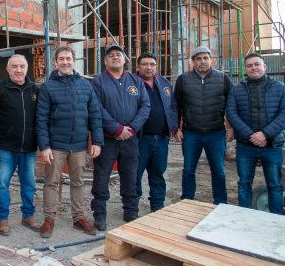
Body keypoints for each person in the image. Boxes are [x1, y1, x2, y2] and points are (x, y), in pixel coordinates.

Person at [36, 46, 103, 238]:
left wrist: (96, 142)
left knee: (78, 182)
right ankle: (49, 219)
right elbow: (41, 119)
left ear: (74, 61)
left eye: (68, 58)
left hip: (79, 145)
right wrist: (44, 146)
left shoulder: (86, 86)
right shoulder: (48, 87)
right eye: (61, 59)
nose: (65, 62)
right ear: (55, 62)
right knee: (51, 182)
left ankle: (78, 217)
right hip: (56, 146)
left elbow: (95, 116)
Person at [91, 45, 150, 230]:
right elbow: (97, 108)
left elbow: (145, 106)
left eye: (118, 55)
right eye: (111, 55)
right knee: (101, 177)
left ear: (125, 59)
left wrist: (131, 129)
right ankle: (100, 214)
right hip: (107, 139)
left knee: (130, 175)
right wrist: (117, 129)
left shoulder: (136, 81)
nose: (115, 57)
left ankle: (130, 211)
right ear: (105, 61)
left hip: (130, 139)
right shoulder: (98, 82)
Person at [226, 53, 285, 214]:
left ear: (264, 67)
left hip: (272, 146)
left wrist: (264, 134)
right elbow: (232, 114)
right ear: (245, 69)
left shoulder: (280, 88)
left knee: (274, 185)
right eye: (249, 66)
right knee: (244, 184)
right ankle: (245, 217)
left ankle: (276, 219)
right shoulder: (237, 90)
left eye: (257, 64)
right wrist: (251, 135)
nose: (253, 68)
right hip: (246, 146)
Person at [0, 54, 41, 236]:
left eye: (22, 66)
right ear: (8, 69)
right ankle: (3, 219)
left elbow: (39, 115)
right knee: (2, 184)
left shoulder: (34, 89)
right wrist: (7, 131)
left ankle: (28, 216)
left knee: (29, 183)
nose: (18, 70)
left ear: (27, 68)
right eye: (14, 66)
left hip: (29, 147)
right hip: (6, 147)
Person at [174, 45, 233, 205]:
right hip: (191, 133)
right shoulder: (183, 80)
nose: (202, 61)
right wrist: (176, 128)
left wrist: (231, 127)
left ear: (211, 60)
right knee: (188, 169)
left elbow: (231, 105)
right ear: (193, 62)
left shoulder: (223, 79)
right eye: (198, 59)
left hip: (216, 132)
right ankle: (187, 201)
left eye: (206, 58)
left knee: (218, 170)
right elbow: (176, 106)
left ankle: (220, 202)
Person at [134, 52, 178, 212]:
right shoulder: (131, 83)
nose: (149, 67)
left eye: (152, 64)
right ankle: (132, 207)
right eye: (145, 64)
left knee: (158, 173)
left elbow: (173, 107)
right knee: (135, 174)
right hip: (140, 139)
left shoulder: (164, 83)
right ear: (138, 66)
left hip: (161, 138)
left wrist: (174, 127)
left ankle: (157, 205)